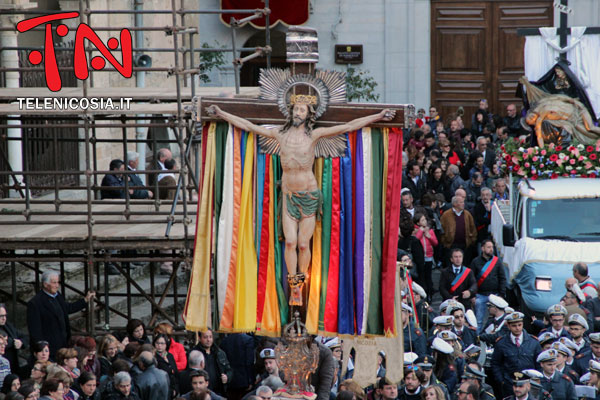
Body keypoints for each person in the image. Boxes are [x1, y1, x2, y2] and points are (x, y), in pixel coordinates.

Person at [207, 102, 395, 305]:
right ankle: (293, 284)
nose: (297, 113)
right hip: (288, 196)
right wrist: (222, 113)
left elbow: (348, 127)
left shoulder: (314, 136)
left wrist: (378, 116)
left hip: (309, 196)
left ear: (308, 115)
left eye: (301, 110)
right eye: (295, 109)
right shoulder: (280, 135)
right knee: (290, 242)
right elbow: (249, 126)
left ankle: (301, 283)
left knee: (303, 244)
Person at [26, 271, 95, 359]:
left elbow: (67, 308)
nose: (57, 285)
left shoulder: (57, 296)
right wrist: (43, 349)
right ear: (45, 284)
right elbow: (35, 331)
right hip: (49, 349)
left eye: (57, 282)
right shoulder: (35, 303)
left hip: (63, 345)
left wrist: (85, 300)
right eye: (54, 282)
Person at [491, 312, 542, 398]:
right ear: (509, 326)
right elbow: (496, 363)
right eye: (514, 326)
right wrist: (502, 381)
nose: (517, 328)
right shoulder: (501, 343)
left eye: (519, 325)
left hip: (529, 385)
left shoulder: (533, 342)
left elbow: (539, 364)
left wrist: (536, 381)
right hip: (509, 385)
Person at [470, 240, 506, 332]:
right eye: (489, 247)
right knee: (478, 320)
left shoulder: (497, 261)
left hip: (495, 295)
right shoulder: (475, 262)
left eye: (492, 247)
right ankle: (477, 339)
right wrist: (472, 295)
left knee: (498, 319)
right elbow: (471, 280)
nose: (491, 249)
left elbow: (502, 278)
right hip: (480, 295)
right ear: (482, 248)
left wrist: (502, 294)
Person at [440, 197, 477, 268]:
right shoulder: (446, 215)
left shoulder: (467, 214)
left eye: (463, 202)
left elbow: (473, 229)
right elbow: (442, 230)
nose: (463, 204)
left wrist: (472, 240)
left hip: (465, 246)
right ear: (455, 204)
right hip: (451, 245)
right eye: (461, 202)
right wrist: (445, 242)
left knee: (464, 266)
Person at [193, 330, 231, 397]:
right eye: (205, 337)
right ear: (199, 338)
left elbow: (229, 370)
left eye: (210, 337)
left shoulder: (219, 353)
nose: (208, 340)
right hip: (202, 392)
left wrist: (227, 377)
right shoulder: (194, 354)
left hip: (219, 391)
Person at [414, 213, 438, 300]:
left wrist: (429, 236)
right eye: (423, 220)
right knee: (421, 276)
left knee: (428, 275)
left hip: (428, 256)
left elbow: (435, 243)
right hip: (420, 257)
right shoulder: (416, 231)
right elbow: (416, 239)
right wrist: (421, 231)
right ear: (418, 223)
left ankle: (429, 294)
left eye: (425, 219)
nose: (425, 221)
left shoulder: (430, 231)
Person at [0, 305, 26, 377]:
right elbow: (7, 342)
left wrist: (21, 342)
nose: (4, 318)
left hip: (13, 365)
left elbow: (23, 336)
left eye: (5, 315)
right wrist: (12, 342)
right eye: (1, 316)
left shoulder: (8, 326)